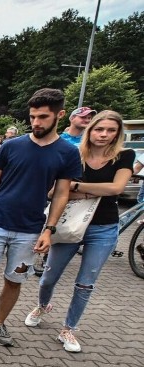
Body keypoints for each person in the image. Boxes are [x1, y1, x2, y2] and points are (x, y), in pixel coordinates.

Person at [0, 88, 81, 346]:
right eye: (33, 116)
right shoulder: (11, 146)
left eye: (43, 117)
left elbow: (61, 194)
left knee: (15, 279)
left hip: (29, 229)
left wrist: (49, 229)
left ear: (59, 115)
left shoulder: (67, 153)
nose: (36, 122)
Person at [24, 111, 134, 352]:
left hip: (103, 227)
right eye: (99, 129)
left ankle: (69, 328)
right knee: (49, 277)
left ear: (118, 134)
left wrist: (76, 187)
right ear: (90, 130)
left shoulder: (124, 156)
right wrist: (94, 190)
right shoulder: (74, 155)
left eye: (110, 130)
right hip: (69, 223)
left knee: (86, 283)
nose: (104, 135)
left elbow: (116, 188)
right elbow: (54, 192)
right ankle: (43, 306)